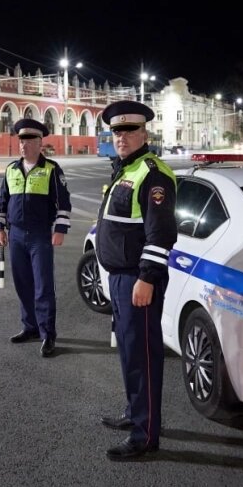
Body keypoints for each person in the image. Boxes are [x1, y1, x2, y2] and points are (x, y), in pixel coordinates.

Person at [94, 100, 177, 461]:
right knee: (129, 352)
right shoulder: (123, 169)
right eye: (117, 131)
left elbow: (160, 234)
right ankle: (134, 413)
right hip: (120, 277)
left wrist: (147, 278)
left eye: (129, 130)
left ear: (144, 133)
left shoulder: (152, 173)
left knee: (143, 356)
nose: (122, 137)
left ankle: (146, 435)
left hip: (138, 280)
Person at [0, 118, 71, 357]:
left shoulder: (51, 169)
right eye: (21, 141)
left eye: (29, 141)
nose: (24, 146)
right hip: (15, 235)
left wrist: (60, 230)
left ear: (40, 143)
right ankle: (30, 327)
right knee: (23, 284)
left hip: (39, 236)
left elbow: (64, 203)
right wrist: (0, 227)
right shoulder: (11, 169)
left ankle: (48, 334)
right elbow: (2, 202)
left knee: (43, 287)